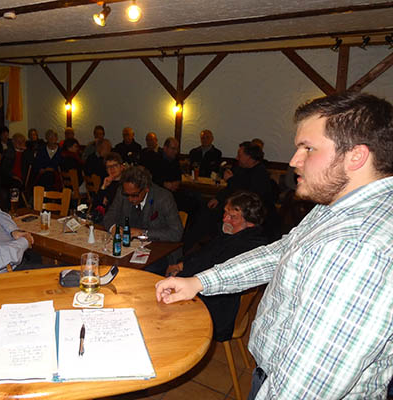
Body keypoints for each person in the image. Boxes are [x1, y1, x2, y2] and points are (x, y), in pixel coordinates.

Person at [156, 91, 393, 399]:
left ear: (356, 156)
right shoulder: (338, 208)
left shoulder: (358, 245)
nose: (294, 160)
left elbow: (308, 387)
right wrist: (200, 282)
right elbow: (280, 253)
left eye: (307, 148)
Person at [165, 191, 268, 341]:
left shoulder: (249, 246)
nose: (225, 219)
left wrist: (180, 276)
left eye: (233, 217)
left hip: (217, 305)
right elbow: (204, 254)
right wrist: (181, 265)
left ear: (250, 223)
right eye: (225, 213)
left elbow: (210, 271)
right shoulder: (231, 233)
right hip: (205, 291)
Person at [103, 165, 182, 242]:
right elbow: (109, 216)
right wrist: (113, 228)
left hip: (158, 248)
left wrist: (143, 233)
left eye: (134, 195)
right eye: (127, 195)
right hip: (129, 245)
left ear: (146, 188)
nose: (130, 199)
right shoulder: (123, 191)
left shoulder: (163, 198)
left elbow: (176, 233)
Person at [0, 133, 34, 209]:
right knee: (13, 185)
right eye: (18, 141)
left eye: (22, 141)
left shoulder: (27, 153)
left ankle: (16, 208)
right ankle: (11, 208)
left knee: (17, 185)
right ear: (13, 142)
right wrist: (13, 176)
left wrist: (26, 150)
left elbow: (32, 163)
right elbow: (4, 169)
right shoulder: (8, 152)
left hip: (22, 179)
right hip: (8, 178)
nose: (20, 143)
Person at [92, 152, 124, 219]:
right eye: (108, 167)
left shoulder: (125, 183)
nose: (112, 169)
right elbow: (95, 205)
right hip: (105, 217)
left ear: (121, 167)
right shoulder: (107, 181)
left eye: (115, 165)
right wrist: (103, 187)